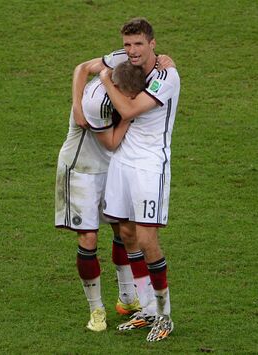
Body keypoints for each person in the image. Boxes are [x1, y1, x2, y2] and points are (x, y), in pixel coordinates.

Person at [72, 17, 180, 342]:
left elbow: (130, 110)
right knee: (127, 233)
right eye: (127, 45)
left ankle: (164, 314)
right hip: (122, 162)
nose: (132, 51)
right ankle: (146, 307)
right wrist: (81, 101)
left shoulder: (167, 76)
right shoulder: (125, 62)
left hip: (150, 166)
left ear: (152, 44)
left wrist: (105, 79)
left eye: (138, 44)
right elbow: (83, 67)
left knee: (148, 240)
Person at [55, 61, 147, 332]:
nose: (130, 102)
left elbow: (83, 66)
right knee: (89, 237)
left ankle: (128, 298)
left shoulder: (125, 65)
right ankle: (96, 309)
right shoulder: (97, 103)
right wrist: (130, 114)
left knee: (125, 230)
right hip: (81, 171)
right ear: (115, 88)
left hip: (111, 168)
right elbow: (112, 141)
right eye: (127, 97)